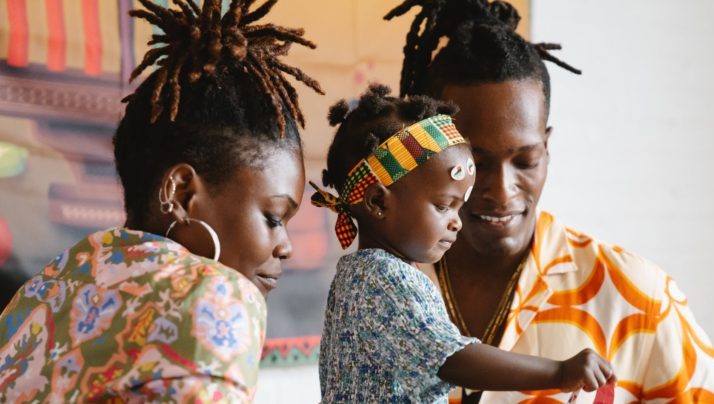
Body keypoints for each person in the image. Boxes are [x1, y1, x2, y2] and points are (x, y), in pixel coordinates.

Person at [385, 0, 714, 402]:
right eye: (476, 163)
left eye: (526, 161)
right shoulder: (382, 292)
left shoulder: (637, 296)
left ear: (547, 146)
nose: (503, 191)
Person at [0, 0, 323, 402]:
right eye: (273, 217)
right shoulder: (217, 295)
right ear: (182, 193)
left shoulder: (44, 290)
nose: (286, 246)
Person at [313, 84, 615, 403]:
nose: (456, 221)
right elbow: (453, 359)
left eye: (459, 206)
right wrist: (559, 373)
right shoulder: (384, 279)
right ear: (377, 201)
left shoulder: (359, 274)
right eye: (444, 206)